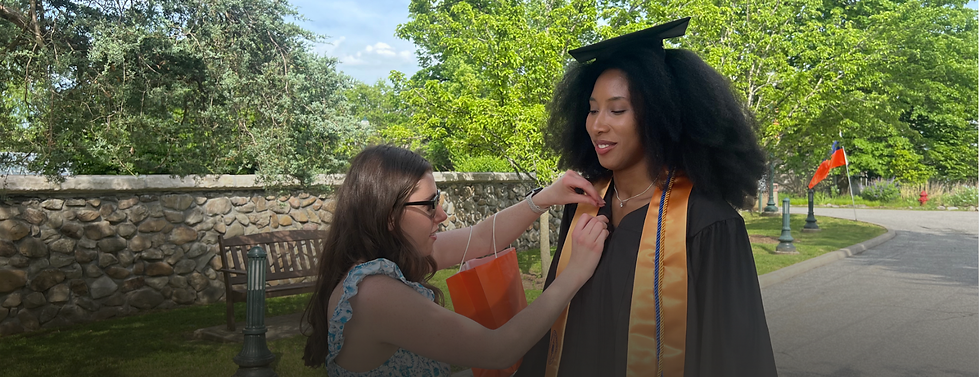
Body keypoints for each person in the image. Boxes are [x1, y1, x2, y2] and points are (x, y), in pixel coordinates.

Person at [515, 18, 778, 376]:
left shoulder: (708, 224)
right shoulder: (583, 210)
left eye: (617, 109)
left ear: (659, 116)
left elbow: (735, 356)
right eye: (592, 109)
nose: (597, 125)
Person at [302, 145, 610, 376]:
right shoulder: (373, 294)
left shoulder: (382, 259)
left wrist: (543, 198)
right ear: (389, 216)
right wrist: (576, 272)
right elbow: (498, 350)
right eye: (429, 205)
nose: (442, 215)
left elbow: (479, 239)